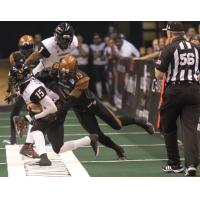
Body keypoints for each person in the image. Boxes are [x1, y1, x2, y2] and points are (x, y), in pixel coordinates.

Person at [36, 55, 155, 159]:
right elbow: (42, 75)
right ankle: (117, 149)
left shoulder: (82, 78)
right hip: (80, 110)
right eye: (62, 72)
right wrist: (40, 75)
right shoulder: (56, 69)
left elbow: (71, 100)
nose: (64, 75)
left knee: (117, 125)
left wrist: (60, 112)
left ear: (75, 71)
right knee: (97, 134)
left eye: (67, 73)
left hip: (91, 104)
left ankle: (139, 121)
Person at [11, 64, 99, 166]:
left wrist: (35, 117)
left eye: (14, 77)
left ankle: (43, 158)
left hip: (56, 108)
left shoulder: (33, 89)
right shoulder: (27, 83)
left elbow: (52, 108)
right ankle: (90, 139)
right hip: (52, 106)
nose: (12, 79)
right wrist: (15, 93)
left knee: (36, 129)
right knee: (59, 148)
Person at [155, 21, 200, 176]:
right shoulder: (196, 47)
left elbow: (159, 74)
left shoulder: (169, 47)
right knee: (190, 129)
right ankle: (192, 164)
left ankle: (174, 164)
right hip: (194, 90)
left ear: (170, 33)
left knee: (168, 127)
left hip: (174, 90)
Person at [4, 35, 36, 146]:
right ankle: (13, 139)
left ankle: (41, 138)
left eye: (28, 47)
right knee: (15, 114)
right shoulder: (15, 56)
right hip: (24, 89)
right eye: (24, 47)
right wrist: (12, 91)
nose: (26, 50)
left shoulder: (37, 55)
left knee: (38, 114)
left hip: (36, 87)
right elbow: (14, 74)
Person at [90, 33, 107, 99]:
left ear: (100, 39)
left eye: (97, 38)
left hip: (104, 64)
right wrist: (99, 55)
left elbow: (103, 56)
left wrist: (97, 55)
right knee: (98, 80)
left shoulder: (104, 45)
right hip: (96, 65)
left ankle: (108, 95)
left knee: (106, 80)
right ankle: (100, 96)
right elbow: (92, 57)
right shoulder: (91, 46)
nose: (96, 40)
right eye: (95, 39)